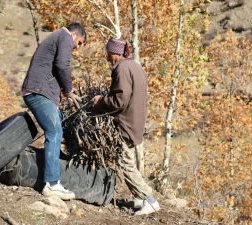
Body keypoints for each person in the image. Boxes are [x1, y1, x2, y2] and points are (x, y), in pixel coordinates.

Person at [91, 37, 160, 215]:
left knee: (124, 162)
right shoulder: (134, 66)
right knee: (128, 159)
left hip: (125, 123)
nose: (106, 55)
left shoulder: (121, 68)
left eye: (107, 51)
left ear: (113, 52)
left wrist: (100, 101)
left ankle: (148, 199)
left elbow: (119, 100)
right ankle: (139, 197)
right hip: (135, 121)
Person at [21, 22, 86, 200]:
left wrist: (61, 92)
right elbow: (62, 64)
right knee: (54, 131)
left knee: (60, 121)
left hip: (38, 91)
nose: (77, 48)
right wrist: (69, 89)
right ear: (75, 35)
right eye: (80, 42)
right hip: (38, 92)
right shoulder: (65, 36)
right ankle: (52, 183)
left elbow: (54, 66)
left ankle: (55, 166)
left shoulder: (57, 37)